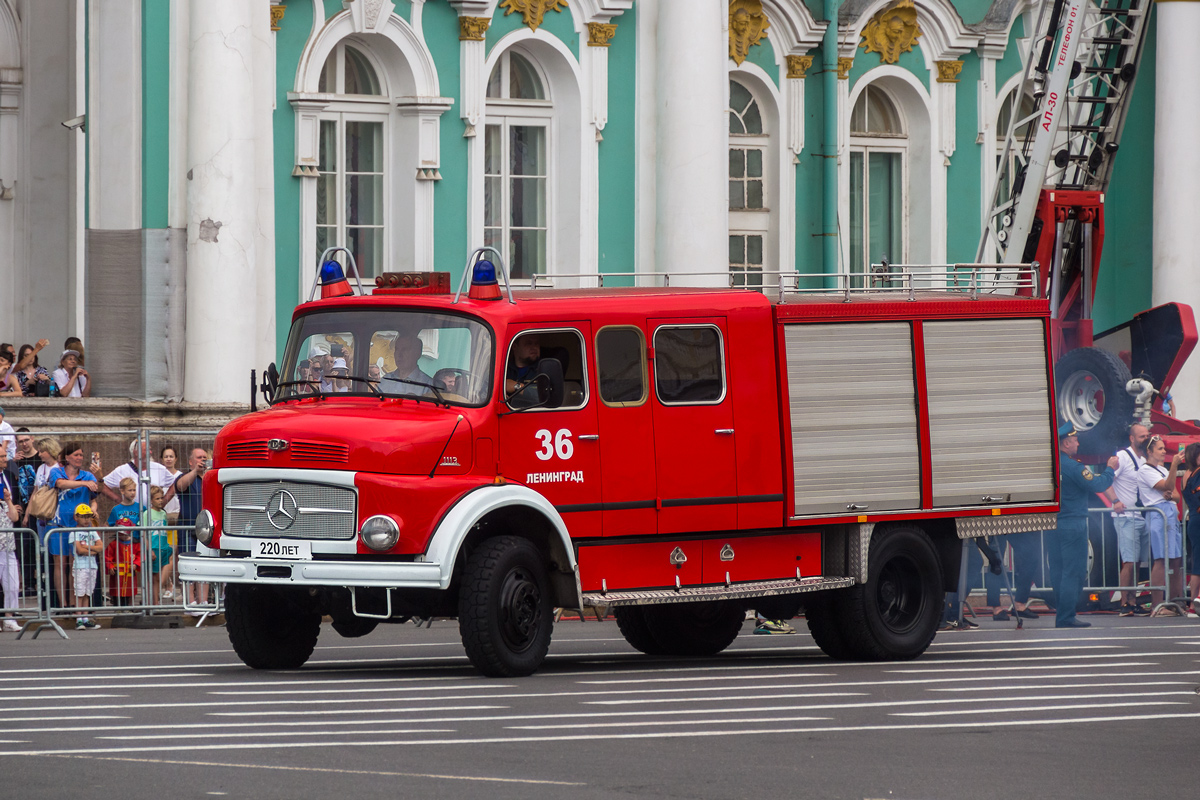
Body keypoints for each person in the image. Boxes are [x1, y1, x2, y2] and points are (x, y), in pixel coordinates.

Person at [1050, 423, 1117, 629]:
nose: (1078, 443)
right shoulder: (1073, 467)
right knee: (1074, 572)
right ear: (1065, 443)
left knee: (1058, 571)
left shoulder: (1051, 465)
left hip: (1053, 524)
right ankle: (1066, 616)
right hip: (1073, 524)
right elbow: (1097, 485)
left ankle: (1062, 612)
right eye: (1075, 439)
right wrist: (1110, 469)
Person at [1105, 423, 1152, 616]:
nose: (1146, 439)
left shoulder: (1144, 459)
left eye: (1147, 435)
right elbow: (1105, 482)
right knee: (1129, 562)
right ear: (1132, 438)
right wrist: (1115, 501)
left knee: (1137, 563)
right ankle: (1124, 603)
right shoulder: (1123, 457)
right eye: (1142, 436)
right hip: (1125, 517)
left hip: (1140, 516)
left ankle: (1133, 601)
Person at [48, 441, 99, 609]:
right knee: (60, 563)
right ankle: (62, 604)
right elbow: (60, 484)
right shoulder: (57, 471)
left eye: (81, 455)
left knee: (74, 563)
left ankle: (73, 603)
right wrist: (83, 484)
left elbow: (94, 496)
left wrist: (93, 509)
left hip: (79, 527)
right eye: (76, 455)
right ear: (67, 457)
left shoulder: (88, 475)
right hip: (59, 525)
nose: (79, 458)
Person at [1138, 434, 1186, 614]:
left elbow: (1175, 495)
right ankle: (1157, 606)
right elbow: (1167, 486)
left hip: (1170, 512)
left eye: (1164, 448)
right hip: (1158, 514)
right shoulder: (1145, 471)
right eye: (1160, 449)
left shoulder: (1163, 470)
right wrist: (1174, 465)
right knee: (1161, 560)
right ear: (1149, 452)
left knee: (1176, 560)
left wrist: (1169, 490)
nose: (1164, 451)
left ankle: (1175, 603)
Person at [173, 448, 209, 613]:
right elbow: (180, 486)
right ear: (191, 461)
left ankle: (204, 602)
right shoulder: (185, 477)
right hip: (188, 527)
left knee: (206, 565)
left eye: (204, 457)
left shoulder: (209, 478)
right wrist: (195, 471)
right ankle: (191, 602)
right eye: (198, 458)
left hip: (207, 529)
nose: (202, 460)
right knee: (189, 565)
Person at [102, 439, 175, 508]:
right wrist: (119, 500)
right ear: (136, 452)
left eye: (150, 449)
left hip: (153, 515)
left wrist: (163, 502)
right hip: (131, 515)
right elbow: (102, 485)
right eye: (146, 450)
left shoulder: (159, 468)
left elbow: (175, 483)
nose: (150, 452)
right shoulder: (122, 470)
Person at [69, 504, 102, 630]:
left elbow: (100, 547)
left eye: (88, 516)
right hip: (80, 566)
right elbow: (79, 550)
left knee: (88, 592)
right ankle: (79, 619)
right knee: (80, 593)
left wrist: (88, 548)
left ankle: (85, 617)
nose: (86, 519)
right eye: (83, 517)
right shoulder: (74, 532)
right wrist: (92, 550)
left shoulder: (92, 531)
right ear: (76, 517)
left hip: (92, 566)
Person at [0, 451, 22, 631]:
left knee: (12, 583)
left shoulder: (6, 476)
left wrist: (8, 502)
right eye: (1, 456)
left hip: (8, 541)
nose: (5, 459)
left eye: (4, 455)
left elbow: (13, 516)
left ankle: (9, 617)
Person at [142, 486, 171, 605]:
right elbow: (143, 532)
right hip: (154, 548)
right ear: (151, 500)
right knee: (154, 578)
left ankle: (156, 600)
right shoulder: (147, 513)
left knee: (160, 576)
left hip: (163, 547)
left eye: (162, 498)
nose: (160, 501)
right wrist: (149, 550)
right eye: (157, 498)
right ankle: (154, 602)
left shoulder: (163, 513)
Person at [104, 518, 140, 607]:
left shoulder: (135, 544)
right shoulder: (113, 544)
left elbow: (140, 555)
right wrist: (110, 566)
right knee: (117, 592)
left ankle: (130, 607)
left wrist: (136, 564)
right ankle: (117, 607)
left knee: (130, 591)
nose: (121, 535)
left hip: (130, 574)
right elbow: (107, 556)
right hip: (117, 575)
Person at [1182, 443, 1200, 615]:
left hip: (1193, 519)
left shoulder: (1187, 475)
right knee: (1198, 565)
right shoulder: (1198, 474)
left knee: (1197, 564)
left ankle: (1193, 605)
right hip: (1199, 518)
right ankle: (1195, 603)